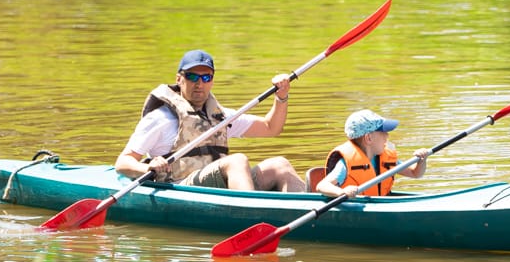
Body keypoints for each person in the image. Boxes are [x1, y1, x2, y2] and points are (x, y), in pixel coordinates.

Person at [115, 49, 305, 192]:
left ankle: (304, 210)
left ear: (212, 81)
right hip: (180, 186)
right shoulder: (159, 118)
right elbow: (123, 162)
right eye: (192, 76)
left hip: (218, 185)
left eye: (206, 77)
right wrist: (147, 167)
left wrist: (281, 96)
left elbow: (271, 127)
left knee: (280, 164)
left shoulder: (221, 117)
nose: (199, 84)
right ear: (179, 79)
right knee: (237, 160)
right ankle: (251, 216)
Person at [316, 109, 430, 198]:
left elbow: (415, 173)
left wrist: (421, 160)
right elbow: (322, 186)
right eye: (383, 132)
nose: (387, 136)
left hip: (380, 205)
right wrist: (342, 192)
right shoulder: (345, 165)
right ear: (369, 138)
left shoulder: (385, 158)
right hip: (356, 210)